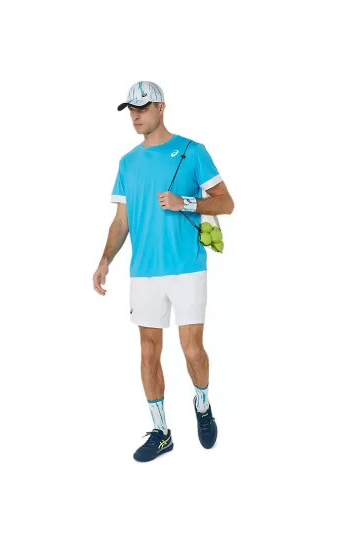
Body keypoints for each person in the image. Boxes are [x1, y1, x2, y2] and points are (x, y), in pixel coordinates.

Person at [92, 81, 235, 462]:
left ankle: (202, 404)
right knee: (148, 352)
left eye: (143, 108)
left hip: (187, 268)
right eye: (131, 109)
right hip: (144, 271)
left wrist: (184, 202)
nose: (136, 116)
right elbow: (121, 221)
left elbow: (227, 203)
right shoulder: (127, 163)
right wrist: (105, 259)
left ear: (161, 107)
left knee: (192, 350)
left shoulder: (192, 151)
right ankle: (161, 432)